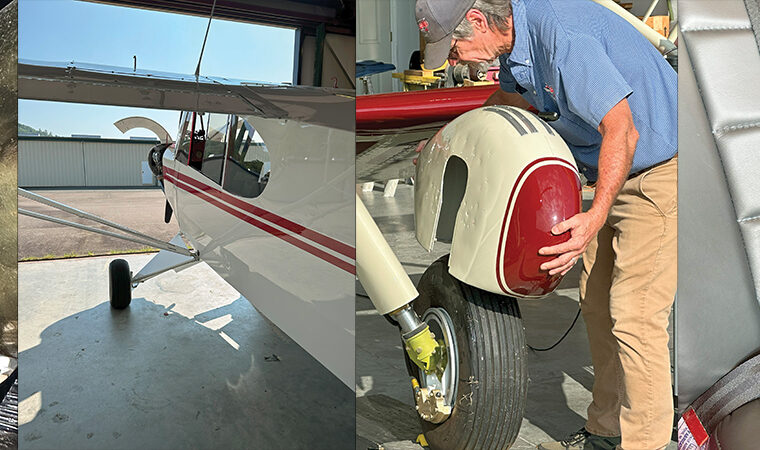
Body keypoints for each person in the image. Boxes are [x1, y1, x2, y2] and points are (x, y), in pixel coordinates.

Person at [414, 0, 677, 448]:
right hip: (610, 170)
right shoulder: (516, 45)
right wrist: (445, 137)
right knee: (597, 306)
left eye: (453, 49)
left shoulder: (563, 39)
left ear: (477, 21)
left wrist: (594, 215)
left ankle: (645, 442)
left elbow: (623, 130)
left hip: (657, 172)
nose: (453, 61)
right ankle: (606, 429)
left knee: (636, 316)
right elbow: (508, 101)